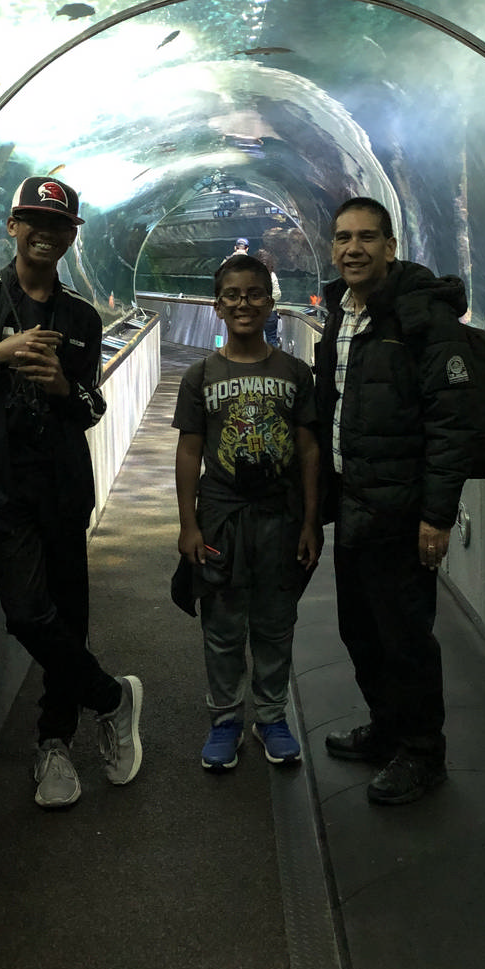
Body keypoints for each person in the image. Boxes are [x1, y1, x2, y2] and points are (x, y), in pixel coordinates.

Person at [0, 176, 143, 810]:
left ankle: (55, 742)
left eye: (57, 224)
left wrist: (57, 386)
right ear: (13, 226)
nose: (43, 232)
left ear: (72, 235)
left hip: (63, 486)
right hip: (0, 488)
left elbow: (91, 405)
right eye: (32, 220)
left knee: (69, 618)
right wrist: (1, 354)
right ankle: (112, 697)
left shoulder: (81, 315)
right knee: (26, 615)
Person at [314, 196, 474, 805]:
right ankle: (385, 729)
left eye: (367, 237)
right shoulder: (342, 310)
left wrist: (436, 515)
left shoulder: (422, 316)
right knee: (359, 628)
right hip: (354, 501)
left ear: (391, 246)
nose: (353, 248)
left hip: (402, 510)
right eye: (343, 237)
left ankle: (422, 752)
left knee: (406, 636)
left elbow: (450, 421)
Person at [174, 254, 321, 772]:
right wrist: (188, 523)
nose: (244, 303)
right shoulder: (200, 375)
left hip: (279, 517)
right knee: (223, 623)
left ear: (270, 301)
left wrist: (309, 520)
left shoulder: (295, 373)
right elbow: (190, 449)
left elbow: (308, 449)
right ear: (217, 306)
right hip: (222, 518)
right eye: (232, 295)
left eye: (254, 293)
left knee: (276, 622)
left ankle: (272, 716)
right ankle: (225, 719)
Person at [253, 247, 282, 348]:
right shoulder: (272, 276)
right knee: (272, 339)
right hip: (270, 312)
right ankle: (273, 362)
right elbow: (277, 295)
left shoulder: (251, 276)